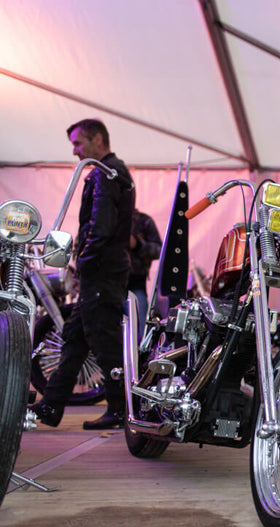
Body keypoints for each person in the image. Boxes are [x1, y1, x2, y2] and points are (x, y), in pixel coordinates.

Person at [29, 119, 135, 430]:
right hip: (103, 270)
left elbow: (100, 227)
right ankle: (51, 405)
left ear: (98, 139)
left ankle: (119, 409)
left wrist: (84, 262)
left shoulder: (106, 173)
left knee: (105, 340)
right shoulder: (110, 172)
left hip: (102, 271)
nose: (75, 151)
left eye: (78, 143)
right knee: (74, 337)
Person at [128, 208, 162, 336]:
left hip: (136, 285)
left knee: (142, 329)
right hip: (106, 285)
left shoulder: (143, 221)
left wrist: (138, 245)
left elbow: (160, 250)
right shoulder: (102, 218)